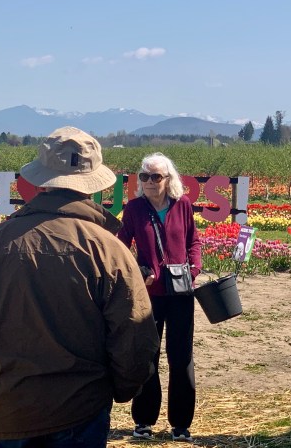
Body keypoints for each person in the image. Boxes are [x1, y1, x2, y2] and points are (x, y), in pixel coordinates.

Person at [0, 127, 160, 448]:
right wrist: (120, 389)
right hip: (83, 410)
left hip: (9, 410)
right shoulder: (108, 248)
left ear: (40, 180)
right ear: (93, 184)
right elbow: (134, 334)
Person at [117, 152, 203, 443]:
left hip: (180, 293)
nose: (150, 182)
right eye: (144, 176)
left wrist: (193, 269)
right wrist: (140, 270)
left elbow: (194, 241)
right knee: (147, 357)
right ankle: (144, 421)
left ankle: (181, 424)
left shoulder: (183, 206)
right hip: (148, 294)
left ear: (169, 179)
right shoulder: (134, 209)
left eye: (156, 176)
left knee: (181, 358)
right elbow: (121, 247)